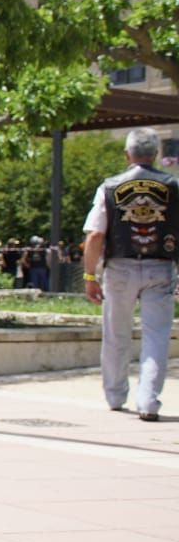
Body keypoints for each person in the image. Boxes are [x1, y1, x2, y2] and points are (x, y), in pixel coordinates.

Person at [83, 127, 177, 422]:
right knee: (157, 336)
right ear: (156, 155)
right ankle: (148, 402)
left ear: (127, 155)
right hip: (160, 266)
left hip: (120, 267)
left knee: (116, 334)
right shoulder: (173, 186)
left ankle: (114, 395)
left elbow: (96, 233)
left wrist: (89, 276)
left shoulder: (109, 187)